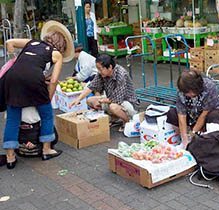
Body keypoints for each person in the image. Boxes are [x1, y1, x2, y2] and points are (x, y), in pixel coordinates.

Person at [2, 20, 74, 169]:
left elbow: (9, 42)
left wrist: (14, 59)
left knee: (12, 119)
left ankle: (10, 157)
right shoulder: (56, 54)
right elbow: (54, 81)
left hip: (12, 77)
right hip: (34, 80)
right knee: (46, 115)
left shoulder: (31, 42)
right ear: (61, 45)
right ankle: (47, 150)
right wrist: (47, 99)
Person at [69, 54, 137, 127]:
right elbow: (91, 86)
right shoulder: (101, 74)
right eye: (98, 69)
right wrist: (78, 99)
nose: (99, 71)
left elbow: (117, 99)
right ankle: (113, 118)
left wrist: (103, 100)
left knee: (113, 107)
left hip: (127, 102)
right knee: (90, 100)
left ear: (110, 67)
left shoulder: (121, 74)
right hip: (111, 99)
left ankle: (127, 122)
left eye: (100, 69)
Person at [166, 69, 219, 148]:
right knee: (172, 113)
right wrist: (185, 139)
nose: (188, 95)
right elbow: (181, 115)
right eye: (186, 93)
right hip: (192, 115)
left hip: (209, 115)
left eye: (190, 92)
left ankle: (211, 144)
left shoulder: (209, 87)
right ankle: (185, 141)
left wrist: (193, 133)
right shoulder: (182, 91)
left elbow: (205, 114)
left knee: (215, 115)